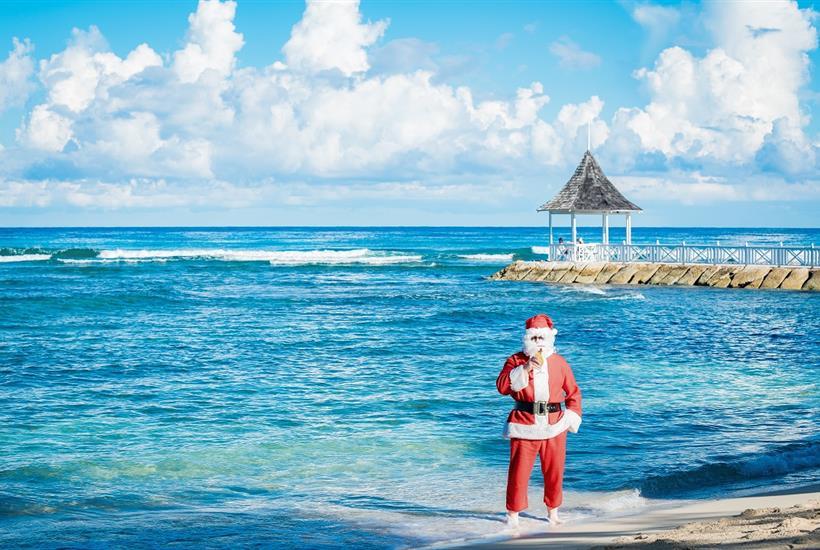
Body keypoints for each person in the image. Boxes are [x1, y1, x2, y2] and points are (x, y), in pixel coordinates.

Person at [496, 314, 582, 528]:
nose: (538, 343)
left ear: (549, 339)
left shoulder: (560, 362)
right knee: (519, 473)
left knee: (554, 471)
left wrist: (571, 416)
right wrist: (526, 368)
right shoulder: (516, 360)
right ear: (527, 339)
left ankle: (553, 512)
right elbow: (502, 387)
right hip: (524, 424)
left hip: (555, 425)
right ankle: (513, 516)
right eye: (534, 339)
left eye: (541, 338)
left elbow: (573, 393)